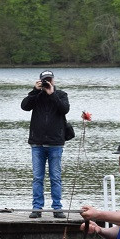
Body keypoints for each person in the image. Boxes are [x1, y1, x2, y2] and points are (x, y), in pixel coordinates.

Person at [21, 69, 70, 219]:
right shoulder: (36, 96)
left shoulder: (61, 95)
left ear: (53, 80)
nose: (47, 82)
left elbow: (65, 109)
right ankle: (37, 208)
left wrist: (52, 94)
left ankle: (57, 208)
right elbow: (24, 106)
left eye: (49, 79)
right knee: (37, 177)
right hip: (37, 143)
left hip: (55, 144)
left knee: (55, 177)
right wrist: (34, 91)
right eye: (45, 80)